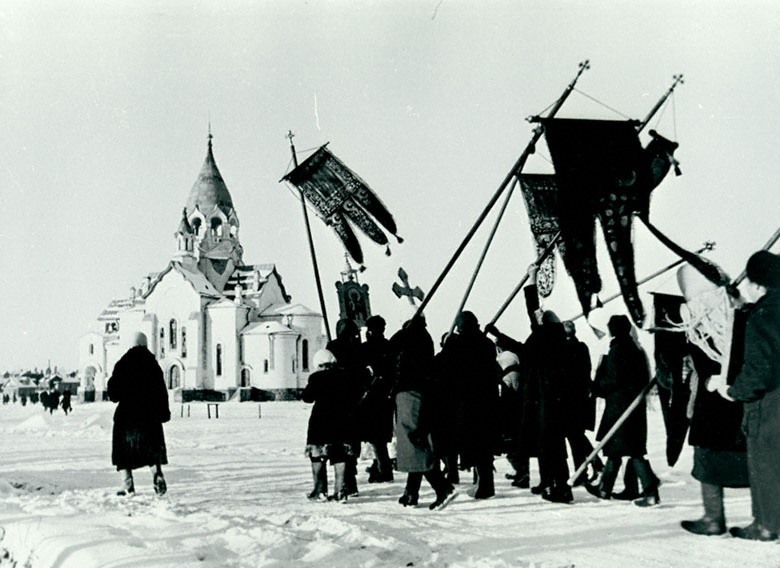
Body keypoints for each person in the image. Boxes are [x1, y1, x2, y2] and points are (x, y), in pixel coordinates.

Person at [713, 251, 780, 541]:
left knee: (766, 463)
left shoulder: (762, 318)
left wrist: (731, 390)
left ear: (757, 285)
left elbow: (759, 370)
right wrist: (743, 309)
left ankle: (767, 525)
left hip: (770, 405)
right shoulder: (765, 312)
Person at [589, 315, 660, 507]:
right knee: (618, 450)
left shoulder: (618, 349)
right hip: (633, 408)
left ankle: (650, 491)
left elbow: (614, 379)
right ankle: (606, 488)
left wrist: (596, 385)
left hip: (620, 408)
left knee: (630, 450)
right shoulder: (635, 349)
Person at [391, 315, 457, 511]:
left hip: (411, 393)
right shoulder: (421, 337)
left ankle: (442, 487)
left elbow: (392, 345)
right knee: (414, 442)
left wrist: (405, 331)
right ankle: (411, 492)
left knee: (414, 443)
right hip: (414, 393)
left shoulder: (415, 337)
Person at [436, 311, 501, 499]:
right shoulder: (487, 343)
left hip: (465, 401)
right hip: (487, 400)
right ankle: (485, 483)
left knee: (472, 442)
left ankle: (483, 486)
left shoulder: (456, 344)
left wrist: (447, 345)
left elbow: (443, 367)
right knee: (484, 444)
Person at [107, 332, 170, 497]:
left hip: (127, 417)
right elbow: (162, 392)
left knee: (123, 452)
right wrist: (164, 413)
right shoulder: (153, 365)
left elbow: (114, 394)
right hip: (150, 416)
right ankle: (157, 474)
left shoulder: (122, 364)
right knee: (151, 450)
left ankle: (127, 484)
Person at [301, 349, 360, 502]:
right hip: (342, 419)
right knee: (340, 454)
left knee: (317, 455)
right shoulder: (346, 376)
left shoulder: (316, 378)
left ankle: (319, 490)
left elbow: (307, 398)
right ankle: (340, 491)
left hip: (320, 421)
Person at [326, 319, 367, 497]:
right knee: (351, 441)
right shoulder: (358, 348)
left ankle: (345, 483)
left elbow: (329, 368)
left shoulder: (334, 346)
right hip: (355, 400)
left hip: (338, 399)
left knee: (339, 442)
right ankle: (351, 482)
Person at [562, 321, 604, 486]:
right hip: (581, 399)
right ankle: (588, 466)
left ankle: (589, 466)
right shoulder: (581, 347)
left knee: (574, 436)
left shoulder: (566, 349)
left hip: (570, 400)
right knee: (576, 436)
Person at [359, 315, 395, 484]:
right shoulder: (390, 347)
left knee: (376, 438)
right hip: (386, 397)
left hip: (372, 397)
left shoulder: (366, 348)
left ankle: (384, 469)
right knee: (379, 437)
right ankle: (378, 466)